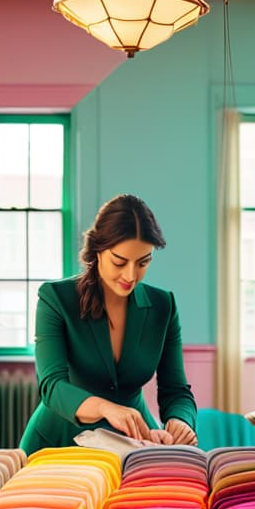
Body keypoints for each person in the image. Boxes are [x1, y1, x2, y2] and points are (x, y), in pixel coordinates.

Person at [19, 194, 198, 454]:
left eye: (143, 262)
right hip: (58, 441)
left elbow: (176, 389)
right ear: (98, 250)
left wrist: (180, 421)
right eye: (119, 261)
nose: (130, 275)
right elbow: (52, 386)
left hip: (135, 443)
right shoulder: (56, 299)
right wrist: (105, 407)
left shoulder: (163, 306)